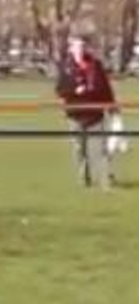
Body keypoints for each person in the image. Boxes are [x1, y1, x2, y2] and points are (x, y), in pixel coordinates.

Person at [55, 36, 120, 189]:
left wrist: (112, 107)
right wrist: (74, 91)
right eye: (77, 47)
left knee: (101, 148)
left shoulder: (96, 65)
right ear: (71, 49)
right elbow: (59, 90)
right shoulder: (66, 67)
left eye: (83, 46)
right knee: (80, 149)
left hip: (95, 113)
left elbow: (106, 87)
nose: (80, 50)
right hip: (75, 114)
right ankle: (84, 179)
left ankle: (106, 179)